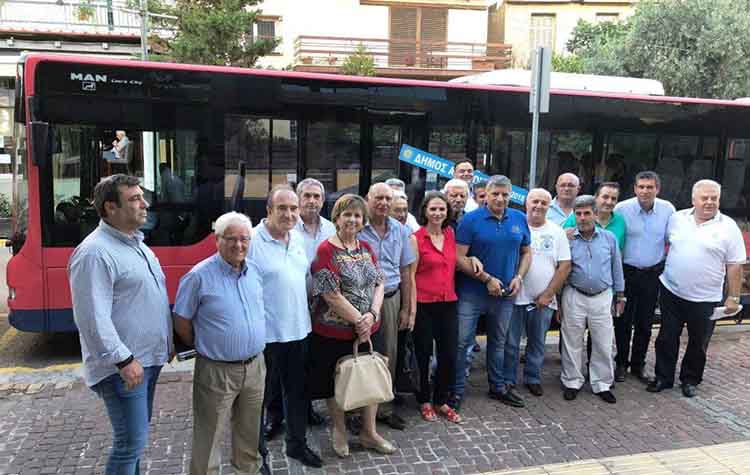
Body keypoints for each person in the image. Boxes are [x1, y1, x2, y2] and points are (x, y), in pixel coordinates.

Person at [68, 174, 172, 475]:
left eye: (142, 197)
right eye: (135, 199)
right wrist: (123, 360)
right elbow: (91, 317)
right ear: (110, 208)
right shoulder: (94, 252)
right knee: (130, 444)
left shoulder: (136, 243)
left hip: (146, 361)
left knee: (135, 444)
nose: (145, 204)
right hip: (124, 367)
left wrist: (167, 342)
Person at [173, 212, 267, 475]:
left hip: (255, 367)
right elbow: (181, 320)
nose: (239, 245)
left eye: (244, 239)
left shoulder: (255, 271)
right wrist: (205, 344)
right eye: (231, 239)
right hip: (216, 371)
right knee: (209, 435)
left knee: (249, 433)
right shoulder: (198, 276)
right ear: (217, 240)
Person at [308, 194, 395, 457]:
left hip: (368, 329)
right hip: (332, 333)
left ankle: (369, 433)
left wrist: (372, 314)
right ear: (336, 218)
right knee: (336, 382)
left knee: (370, 376)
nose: (353, 220)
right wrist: (359, 320)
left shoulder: (365, 248)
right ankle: (340, 430)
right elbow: (330, 295)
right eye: (347, 214)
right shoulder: (325, 250)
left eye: (357, 215)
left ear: (363, 220)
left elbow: (379, 282)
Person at [648, 180, 746, 398]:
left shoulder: (728, 227)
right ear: (694, 200)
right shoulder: (677, 218)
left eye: (714, 198)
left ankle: (690, 380)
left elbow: (735, 265)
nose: (709, 202)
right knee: (666, 337)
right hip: (671, 291)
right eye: (704, 198)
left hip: (706, 298)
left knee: (698, 342)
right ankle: (663, 377)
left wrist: (734, 297)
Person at [249, 185, 322, 468]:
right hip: (265, 335)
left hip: (299, 330)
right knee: (259, 400)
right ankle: (256, 456)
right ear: (268, 210)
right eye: (282, 208)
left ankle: (296, 445)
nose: (289, 214)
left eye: (293, 208)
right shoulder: (252, 240)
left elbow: (304, 279)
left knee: (297, 393)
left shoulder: (298, 239)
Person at [453, 175, 531, 410]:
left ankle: (497, 387)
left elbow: (527, 252)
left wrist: (519, 277)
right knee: (462, 343)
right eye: (495, 194)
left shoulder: (519, 218)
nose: (500, 198)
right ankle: (455, 390)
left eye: (505, 194)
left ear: (510, 195)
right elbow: (458, 257)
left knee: (499, 342)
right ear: (485, 194)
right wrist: (486, 279)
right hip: (471, 292)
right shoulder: (470, 220)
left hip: (505, 293)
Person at [358, 183, 416, 430]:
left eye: (387, 199)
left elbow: (406, 272)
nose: (383, 203)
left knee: (387, 356)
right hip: (360, 300)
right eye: (378, 198)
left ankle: (383, 408)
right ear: (367, 199)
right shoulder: (357, 227)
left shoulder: (401, 231)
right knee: (359, 356)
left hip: (391, 299)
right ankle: (356, 410)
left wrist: (406, 308)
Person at [503, 189, 571, 397]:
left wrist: (549, 294)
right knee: (511, 343)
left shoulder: (556, 231)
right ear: (526, 203)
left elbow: (564, 266)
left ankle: (532, 378)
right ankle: (508, 379)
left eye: (543, 202)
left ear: (549, 206)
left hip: (543, 299)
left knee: (537, 342)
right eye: (535, 201)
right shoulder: (513, 227)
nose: (539, 206)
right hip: (514, 297)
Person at [561, 195, 625, 404]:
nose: (582, 218)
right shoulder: (567, 238)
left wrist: (620, 295)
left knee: (603, 342)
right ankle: (572, 381)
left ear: (595, 215)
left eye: (587, 213)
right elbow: (560, 268)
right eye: (578, 214)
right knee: (572, 341)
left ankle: (602, 383)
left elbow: (616, 267)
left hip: (602, 296)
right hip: (574, 294)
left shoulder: (609, 238)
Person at [614, 171, 675, 383]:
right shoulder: (621, 209)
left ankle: (638, 365)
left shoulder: (668, 210)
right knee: (622, 321)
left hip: (652, 275)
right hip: (627, 273)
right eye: (641, 187)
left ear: (657, 189)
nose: (645, 191)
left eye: (650, 187)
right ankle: (621, 363)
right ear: (635, 188)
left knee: (645, 323)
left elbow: (672, 239)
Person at [412, 191, 461, 424]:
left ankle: (441, 400)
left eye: (442, 209)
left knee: (449, 354)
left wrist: (474, 262)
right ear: (425, 211)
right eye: (433, 209)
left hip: (448, 302)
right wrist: (410, 309)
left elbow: (458, 261)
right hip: (423, 304)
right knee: (423, 355)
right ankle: (424, 400)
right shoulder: (416, 238)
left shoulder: (450, 234)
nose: (438, 213)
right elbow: (410, 276)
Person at [562, 182, 626, 251]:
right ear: (596, 197)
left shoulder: (620, 221)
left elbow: (620, 250)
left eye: (613, 199)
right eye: (605, 197)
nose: (609, 202)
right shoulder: (576, 217)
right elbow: (561, 241)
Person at [295, 178, 336, 263]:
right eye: (307, 196)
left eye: (316, 196)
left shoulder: (330, 228)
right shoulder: (289, 227)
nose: (312, 201)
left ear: (322, 200)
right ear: (298, 199)